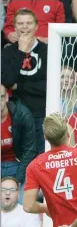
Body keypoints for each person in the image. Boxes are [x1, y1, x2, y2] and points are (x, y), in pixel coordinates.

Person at [1, 8, 48, 154]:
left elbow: (47, 86)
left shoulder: (46, 50)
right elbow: (7, 81)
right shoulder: (9, 51)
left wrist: (18, 86)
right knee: (21, 156)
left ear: (36, 26)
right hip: (16, 114)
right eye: (20, 23)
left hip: (40, 112)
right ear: (14, 28)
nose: (25, 27)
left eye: (29, 23)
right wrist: (21, 50)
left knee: (39, 156)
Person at [1, 84, 37, 193]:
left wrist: (18, 180)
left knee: (21, 204)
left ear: (6, 97)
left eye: (0, 97)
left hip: (18, 164)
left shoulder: (22, 114)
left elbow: (30, 150)